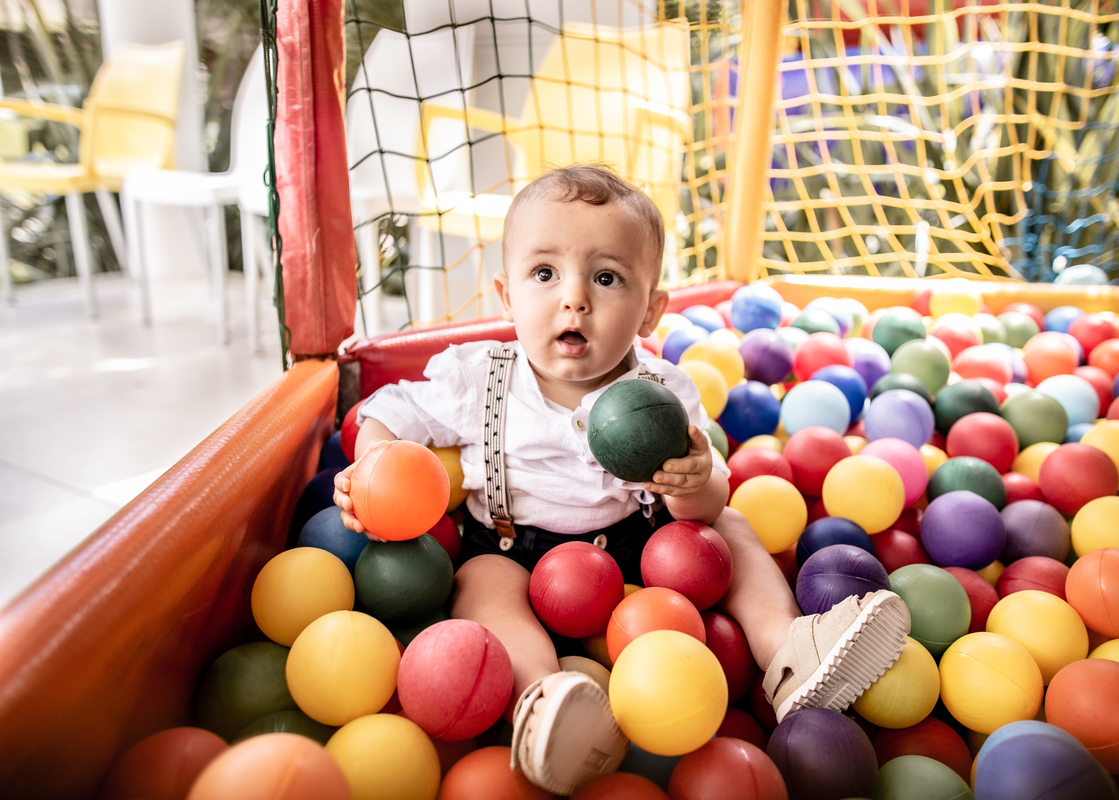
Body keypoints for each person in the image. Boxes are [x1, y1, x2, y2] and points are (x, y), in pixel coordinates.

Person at [334, 164, 910, 795]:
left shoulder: (663, 390)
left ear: (649, 311)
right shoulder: (479, 378)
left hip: (646, 549)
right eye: (545, 274)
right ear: (507, 296)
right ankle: (547, 700)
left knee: (731, 525)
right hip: (514, 548)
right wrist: (373, 466)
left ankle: (789, 653)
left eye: (606, 278)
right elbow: (391, 408)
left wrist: (692, 482)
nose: (573, 297)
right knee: (481, 585)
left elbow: (709, 495)